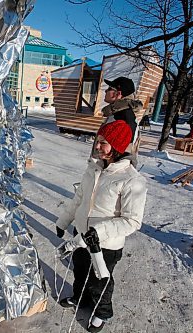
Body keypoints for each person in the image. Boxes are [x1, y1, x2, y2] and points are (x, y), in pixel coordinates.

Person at [55, 120, 147, 332]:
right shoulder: (93, 168)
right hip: (80, 235)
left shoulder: (132, 180)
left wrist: (99, 232)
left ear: (116, 146)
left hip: (105, 243)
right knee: (80, 271)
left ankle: (101, 312)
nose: (97, 146)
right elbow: (79, 198)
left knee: (99, 280)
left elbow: (132, 220)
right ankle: (80, 299)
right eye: (98, 141)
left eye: (103, 143)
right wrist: (64, 221)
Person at [94, 77, 143, 164]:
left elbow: (126, 153)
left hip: (109, 171)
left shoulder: (124, 117)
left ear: (117, 94)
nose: (105, 91)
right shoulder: (116, 113)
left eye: (109, 89)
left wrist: (105, 170)